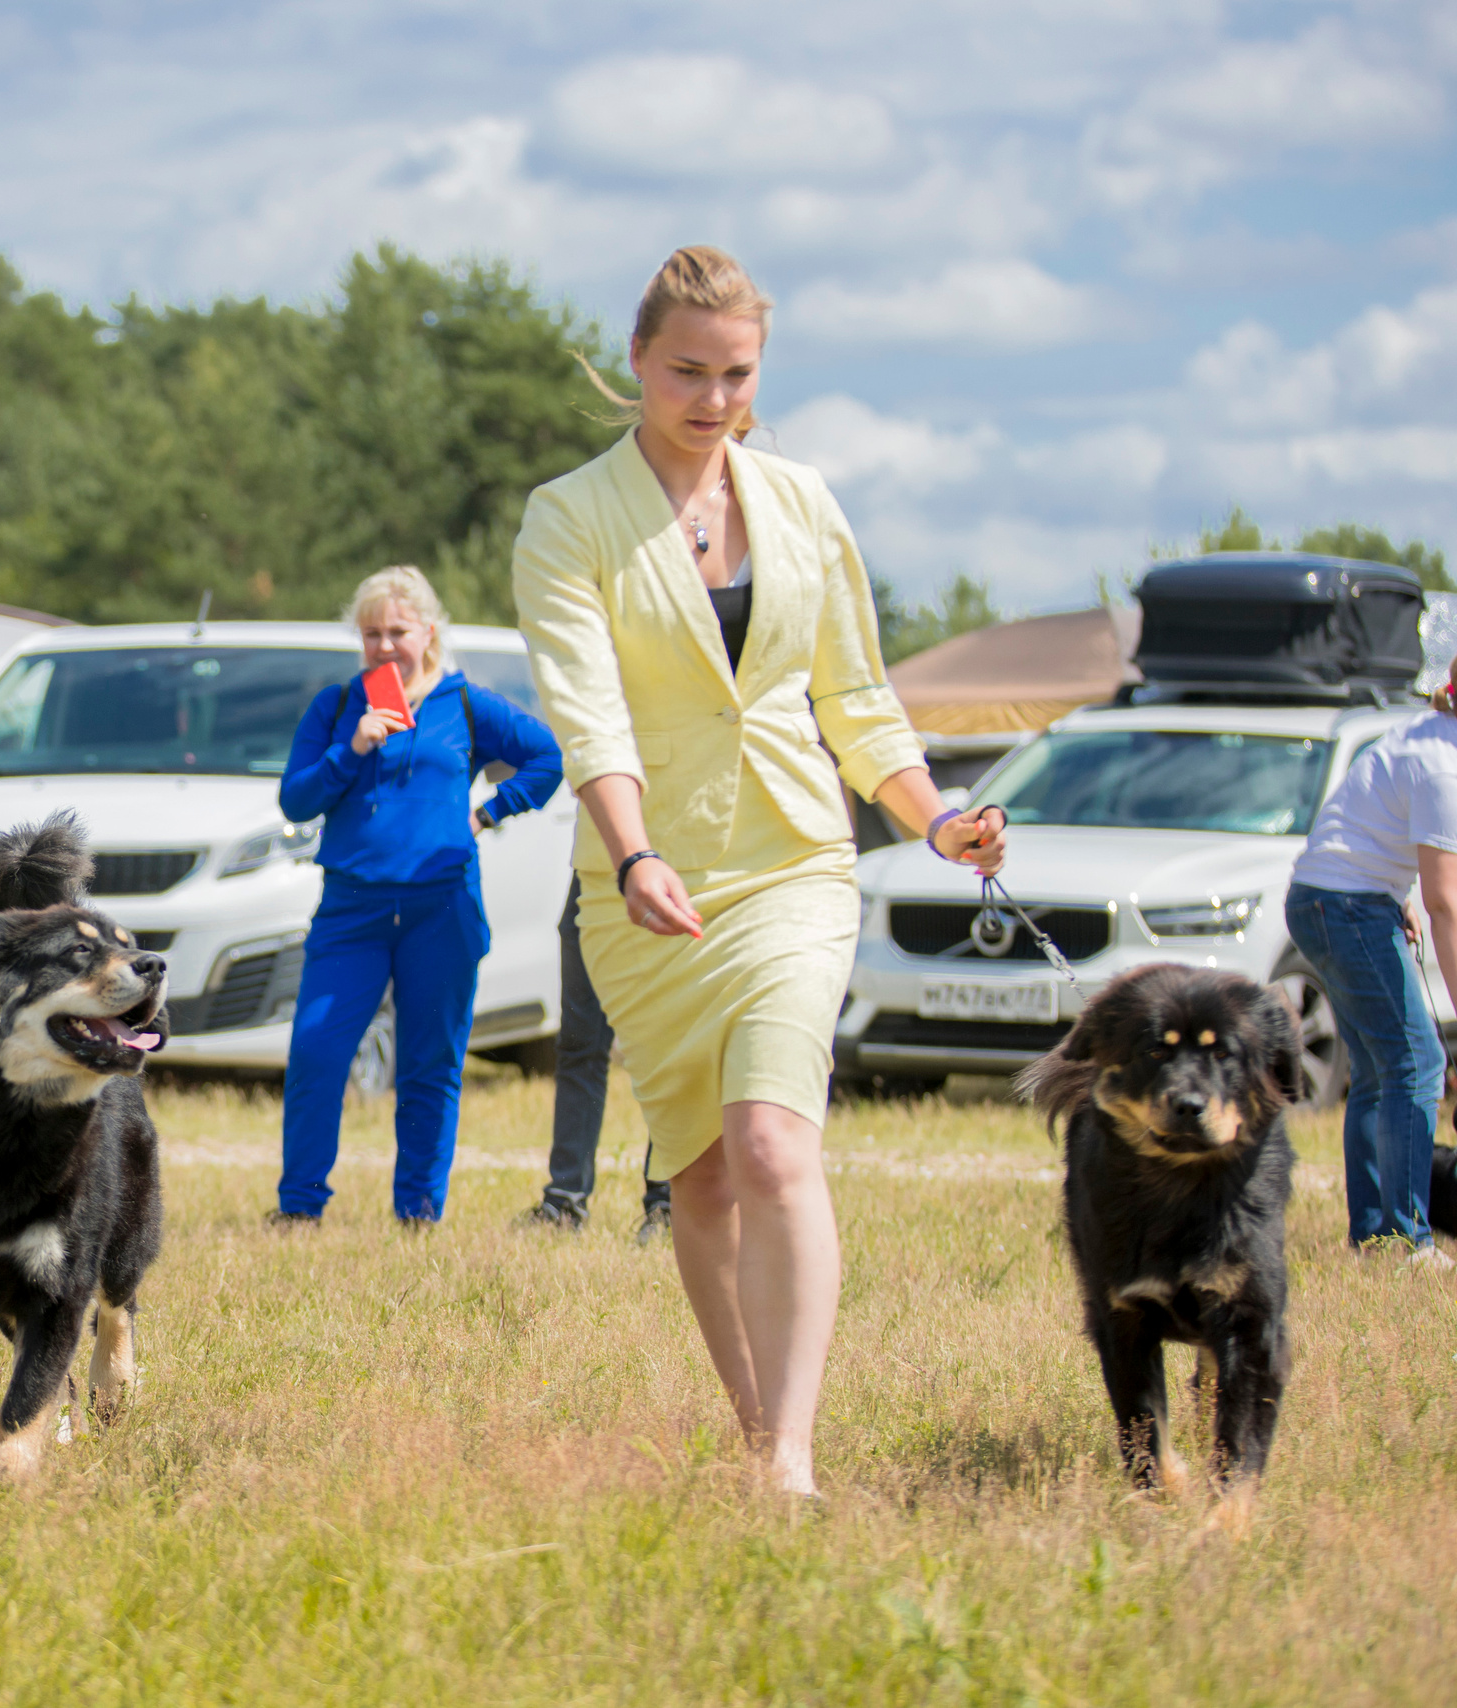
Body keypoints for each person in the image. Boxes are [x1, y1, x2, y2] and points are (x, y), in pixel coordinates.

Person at [513, 246, 1005, 1496]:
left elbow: (854, 695)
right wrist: (632, 855)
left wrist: (933, 816)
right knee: (704, 1171)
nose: (713, 397)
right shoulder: (568, 516)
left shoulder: (802, 501)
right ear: (634, 360)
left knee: (774, 1143)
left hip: (795, 858)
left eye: (737, 374)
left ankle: (789, 1452)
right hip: (649, 885)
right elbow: (589, 715)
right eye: (687, 369)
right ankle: (749, 1419)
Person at [274, 566, 564, 1225]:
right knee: (317, 1052)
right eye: (371, 633)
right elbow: (297, 798)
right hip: (352, 909)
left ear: (428, 632)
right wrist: (351, 750)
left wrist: (492, 811)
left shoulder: (465, 705)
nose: (383, 645)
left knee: (429, 1066)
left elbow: (547, 757)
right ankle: (298, 1210)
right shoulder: (337, 705)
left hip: (441, 908)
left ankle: (418, 1213)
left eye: (397, 631)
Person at [1288, 635, 1457, 1261]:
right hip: (1345, 906)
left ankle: (1376, 1235)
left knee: (1378, 1071)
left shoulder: (1423, 736)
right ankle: (1406, 1239)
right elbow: (1448, 903)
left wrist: (1394, 893)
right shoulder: (1447, 770)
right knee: (1418, 1065)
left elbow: (1365, 820)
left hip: (1327, 899)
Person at [523, 875, 671, 1241]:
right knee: (578, 1049)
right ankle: (564, 1202)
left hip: (667, 873)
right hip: (593, 882)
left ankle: (668, 1203)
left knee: (666, 1052)